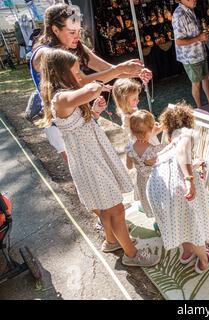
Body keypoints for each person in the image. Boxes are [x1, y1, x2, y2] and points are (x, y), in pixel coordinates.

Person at [38, 48, 159, 267]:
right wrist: (103, 81)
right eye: (75, 72)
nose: (80, 76)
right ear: (60, 74)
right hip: (90, 161)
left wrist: (94, 113)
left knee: (106, 208)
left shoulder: (66, 96)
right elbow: (89, 89)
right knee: (116, 208)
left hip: (92, 155)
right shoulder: (61, 98)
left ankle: (111, 241)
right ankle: (132, 255)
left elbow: (76, 125)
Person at [29, 3, 152, 161]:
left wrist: (133, 72)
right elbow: (80, 82)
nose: (77, 37)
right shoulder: (46, 54)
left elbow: (100, 65)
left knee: (102, 163)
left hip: (81, 116)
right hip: (60, 125)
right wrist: (119, 70)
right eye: (72, 32)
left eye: (79, 31)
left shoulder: (71, 44)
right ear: (55, 29)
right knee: (85, 168)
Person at [146, 103, 209, 273]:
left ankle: (187, 250)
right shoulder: (185, 134)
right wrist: (189, 179)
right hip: (177, 186)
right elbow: (182, 152)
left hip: (159, 189)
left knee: (178, 222)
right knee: (192, 223)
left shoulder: (170, 141)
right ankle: (203, 257)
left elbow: (161, 158)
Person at [172, 0, 209, 108]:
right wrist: (199, 38)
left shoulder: (191, 9)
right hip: (190, 56)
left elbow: (194, 32)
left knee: (206, 77)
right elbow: (178, 41)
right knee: (196, 83)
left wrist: (202, 35)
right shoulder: (178, 15)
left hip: (200, 52)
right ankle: (200, 109)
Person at [126, 110, 164, 219]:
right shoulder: (152, 151)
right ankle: (161, 223)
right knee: (158, 203)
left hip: (141, 180)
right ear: (150, 131)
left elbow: (129, 166)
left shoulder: (129, 148)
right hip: (153, 182)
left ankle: (156, 219)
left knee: (149, 202)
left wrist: (139, 165)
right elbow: (159, 165)